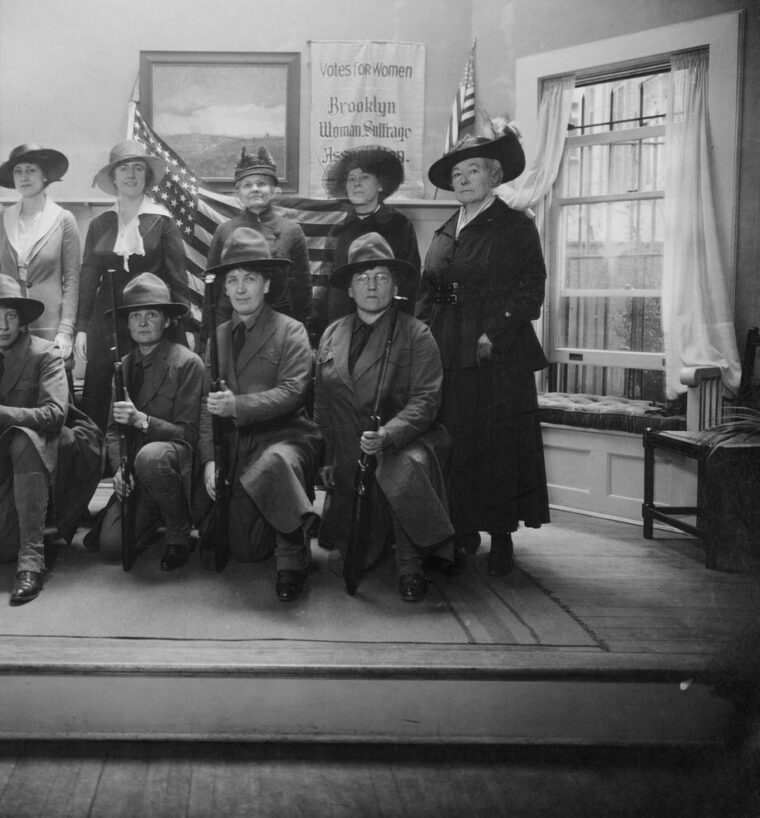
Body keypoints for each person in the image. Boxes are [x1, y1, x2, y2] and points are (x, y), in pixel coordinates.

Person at [416, 127, 551, 577]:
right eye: (456, 173)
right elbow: (427, 291)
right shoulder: (445, 229)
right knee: (455, 440)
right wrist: (418, 337)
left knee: (496, 444)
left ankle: (501, 537)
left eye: (472, 170)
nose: (463, 179)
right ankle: (461, 530)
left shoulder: (515, 226)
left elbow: (531, 292)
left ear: (493, 176)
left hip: (496, 352)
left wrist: (496, 332)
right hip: (445, 346)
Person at [315, 233, 454, 602]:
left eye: (380, 276)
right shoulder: (332, 334)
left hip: (404, 441)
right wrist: (329, 454)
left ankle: (410, 565)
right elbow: (323, 404)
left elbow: (426, 400)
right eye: (361, 277)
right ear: (349, 288)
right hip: (349, 447)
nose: (371, 285)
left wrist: (389, 436)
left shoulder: (416, 334)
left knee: (402, 469)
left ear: (395, 284)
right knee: (349, 551)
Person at [0, 274, 103, 605]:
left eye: (10, 315)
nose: (3, 325)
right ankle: (51, 518)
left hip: (67, 447)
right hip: (19, 462)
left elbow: (53, 415)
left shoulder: (46, 353)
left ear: (22, 319)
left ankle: (32, 563)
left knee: (23, 437)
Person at [199, 227, 321, 603]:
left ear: (266, 285)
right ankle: (284, 521)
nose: (239, 289)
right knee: (246, 552)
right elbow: (207, 408)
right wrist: (209, 460)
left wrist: (237, 405)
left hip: (286, 440)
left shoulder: (291, 331)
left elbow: (291, 392)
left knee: (275, 463)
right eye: (232, 280)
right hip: (237, 449)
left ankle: (292, 558)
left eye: (249, 279)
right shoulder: (217, 335)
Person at [89, 274, 206, 569]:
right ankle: (151, 511)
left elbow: (188, 435)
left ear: (167, 321)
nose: (142, 322)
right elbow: (113, 431)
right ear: (127, 323)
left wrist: (143, 421)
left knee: (151, 456)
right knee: (112, 547)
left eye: (151, 314)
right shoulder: (124, 367)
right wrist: (119, 470)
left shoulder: (187, 363)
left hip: (173, 463)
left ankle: (179, 533)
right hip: (136, 471)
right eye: (135, 316)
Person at [75, 140, 192, 428]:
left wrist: (183, 327)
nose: (131, 174)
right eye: (124, 168)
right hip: (106, 322)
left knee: (146, 391)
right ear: (113, 177)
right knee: (100, 393)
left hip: (148, 319)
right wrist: (80, 329)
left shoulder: (163, 222)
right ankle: (98, 463)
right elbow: (89, 279)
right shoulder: (100, 224)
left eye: (138, 168)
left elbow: (178, 280)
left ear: (147, 177)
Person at [0, 143, 80, 375]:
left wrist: (65, 328)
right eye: (18, 171)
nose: (24, 177)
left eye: (31, 170)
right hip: (9, 328)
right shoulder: (1, 219)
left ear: (44, 175)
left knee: (52, 398)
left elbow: (73, 280)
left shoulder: (63, 219)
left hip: (49, 327)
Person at [202, 147, 312, 343]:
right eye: (247, 185)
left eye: (261, 184)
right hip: (231, 324)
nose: (254, 189)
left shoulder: (291, 231)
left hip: (278, 325)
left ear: (274, 190)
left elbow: (301, 292)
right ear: (238, 193)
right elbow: (213, 290)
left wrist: (302, 336)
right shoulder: (224, 231)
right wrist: (209, 339)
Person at [322, 145, 421, 330]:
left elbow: (410, 284)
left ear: (381, 185)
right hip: (343, 326)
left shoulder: (400, 226)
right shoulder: (338, 231)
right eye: (351, 179)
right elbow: (327, 286)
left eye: (364, 177)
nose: (356, 183)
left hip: (389, 327)